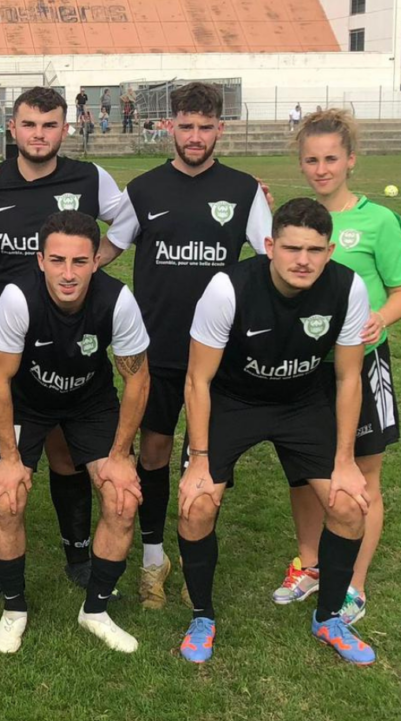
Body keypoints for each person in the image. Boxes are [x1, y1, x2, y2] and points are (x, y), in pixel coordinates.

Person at [0, 86, 123, 602]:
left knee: (67, 449)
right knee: (8, 448)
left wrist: (95, 262)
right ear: (12, 129)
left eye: (49, 125)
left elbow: (132, 217)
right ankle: (2, 566)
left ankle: (78, 550)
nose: (38, 135)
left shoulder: (89, 178)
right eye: (28, 125)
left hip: (71, 328)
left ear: (64, 129)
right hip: (3, 336)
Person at [179, 198, 375, 666]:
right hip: (233, 401)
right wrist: (200, 459)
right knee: (197, 504)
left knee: (349, 505)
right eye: (291, 248)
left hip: (302, 403)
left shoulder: (348, 288)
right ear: (270, 245)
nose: (302, 260)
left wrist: (345, 460)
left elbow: (348, 378)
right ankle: (202, 616)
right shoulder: (228, 288)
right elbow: (197, 380)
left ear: (329, 251)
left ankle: (328, 617)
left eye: (314, 250)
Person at [100, 81, 273, 610]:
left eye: (205, 127)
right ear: (169, 126)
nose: (195, 137)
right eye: (186, 126)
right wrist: (55, 274)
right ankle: (154, 559)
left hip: (220, 357)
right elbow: (108, 248)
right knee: (152, 451)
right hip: (158, 352)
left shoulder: (244, 191)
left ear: (220, 129)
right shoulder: (145, 189)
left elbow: (270, 260)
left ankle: (196, 556)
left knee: (205, 463)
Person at [0, 210, 150, 654]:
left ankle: (95, 610)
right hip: (27, 403)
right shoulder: (17, 298)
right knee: (8, 495)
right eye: (57, 260)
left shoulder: (118, 300)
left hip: (89, 402)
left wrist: (119, 456)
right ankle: (14, 610)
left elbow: (137, 379)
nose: (68, 273)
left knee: (122, 497)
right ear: (40, 260)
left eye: (80, 261)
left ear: (97, 260)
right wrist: (8, 458)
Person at [272, 110, 401, 623]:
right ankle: (312, 565)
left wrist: (380, 319)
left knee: (363, 476)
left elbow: (398, 291)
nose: (322, 168)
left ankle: (354, 584)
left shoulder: (378, 221)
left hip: (363, 364)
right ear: (301, 164)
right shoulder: (296, 218)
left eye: (331, 159)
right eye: (312, 160)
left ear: (350, 160)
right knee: (305, 475)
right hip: (307, 367)